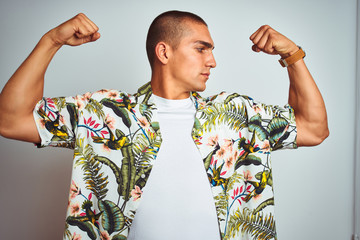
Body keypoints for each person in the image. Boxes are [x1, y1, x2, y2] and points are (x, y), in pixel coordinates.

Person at [0, 10, 328, 240]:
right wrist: (50, 41)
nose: (212, 60)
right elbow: (11, 119)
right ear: (164, 52)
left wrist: (293, 56)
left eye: (211, 51)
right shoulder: (106, 113)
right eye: (201, 49)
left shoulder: (235, 114)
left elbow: (314, 128)